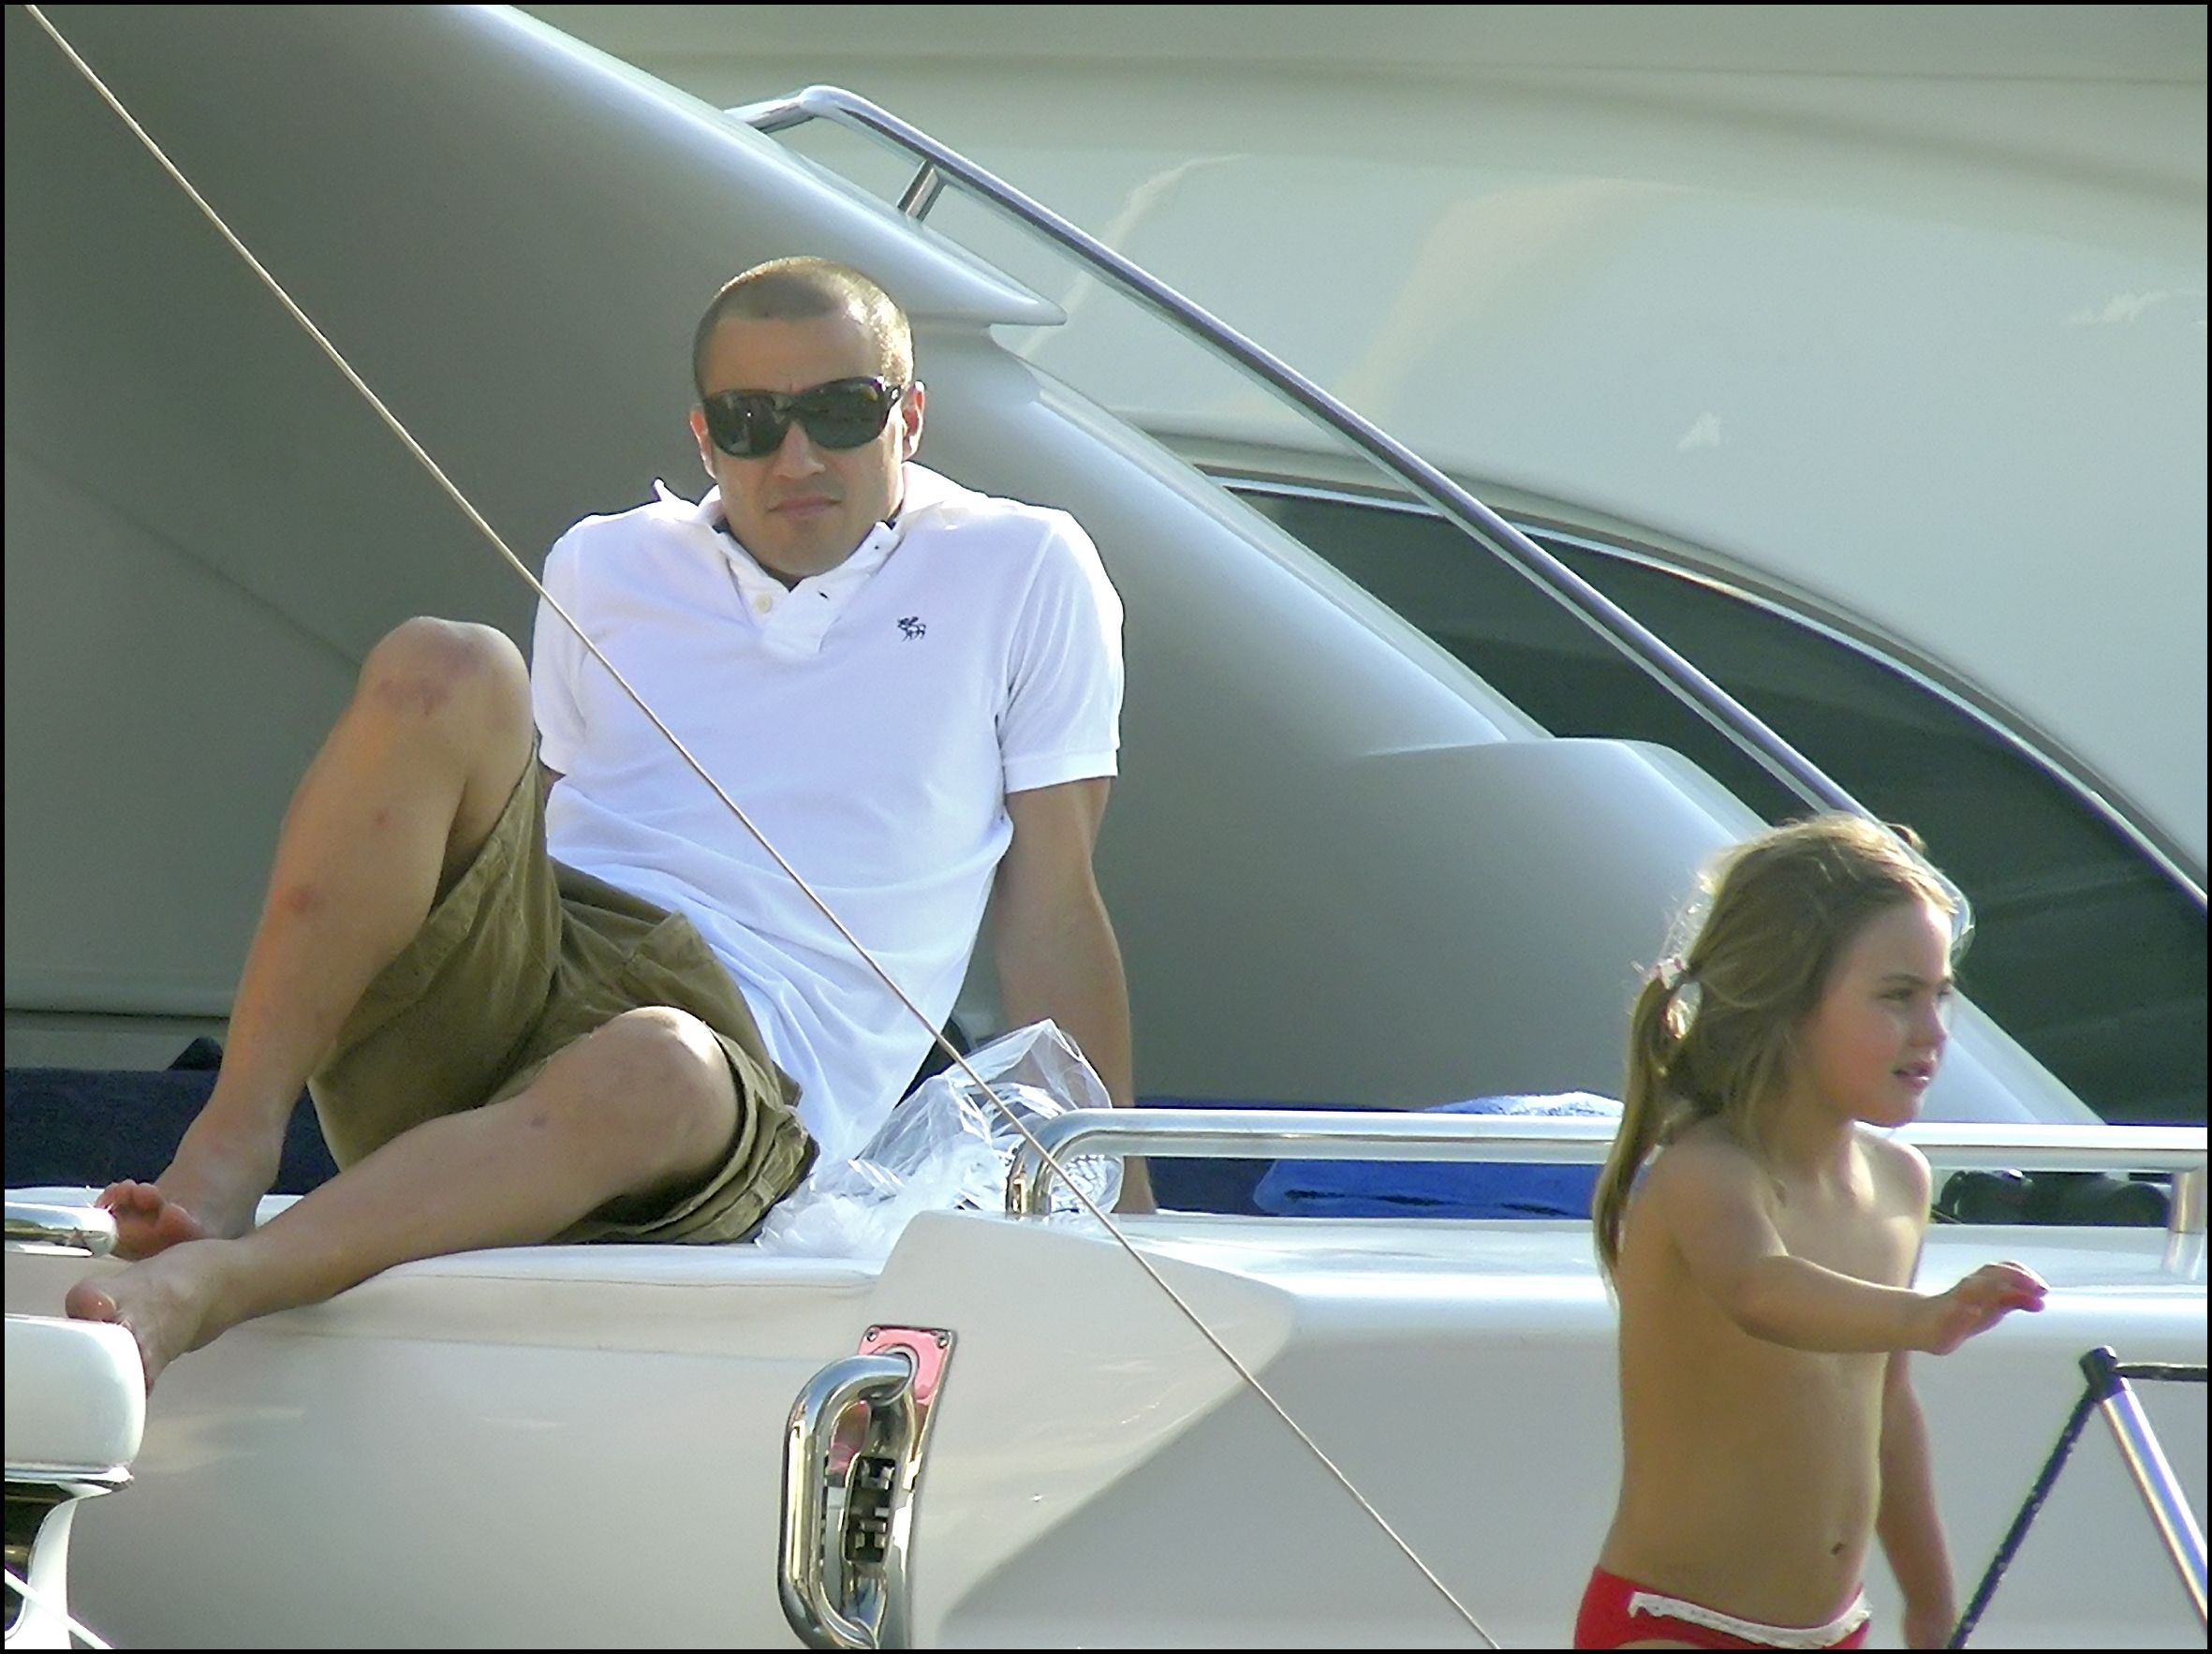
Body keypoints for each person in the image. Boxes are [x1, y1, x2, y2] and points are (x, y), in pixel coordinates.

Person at [66, 255, 1144, 1390]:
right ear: (704, 437)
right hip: (549, 962)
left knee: (655, 1061)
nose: (796, 457)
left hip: (739, 1077)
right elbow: (531, 830)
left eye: (839, 411)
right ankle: (228, 1145)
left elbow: (1053, 904)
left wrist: (1122, 1197)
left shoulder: (1023, 566)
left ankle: (216, 1285)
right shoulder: (603, 559)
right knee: (447, 661)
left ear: (907, 416)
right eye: (752, 421)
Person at [1577, 815, 2048, 1651]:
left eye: (1940, 994)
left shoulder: (1900, 1182)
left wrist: (1931, 1605)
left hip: (1837, 1627)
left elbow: (1886, 1411)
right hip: (1675, 1624)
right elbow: (1762, 1291)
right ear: (1787, 1003)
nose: (1933, 1031)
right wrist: (1925, 1315)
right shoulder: (1706, 1173)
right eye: (1897, 996)